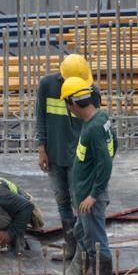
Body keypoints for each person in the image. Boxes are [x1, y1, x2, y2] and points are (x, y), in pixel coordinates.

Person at [51, 76, 118, 275]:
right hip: (85, 195)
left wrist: (94, 193)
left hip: (91, 197)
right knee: (81, 232)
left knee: (95, 240)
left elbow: (106, 161)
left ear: (74, 103)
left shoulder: (93, 128)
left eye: (66, 104)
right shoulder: (99, 119)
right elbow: (114, 144)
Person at [35, 54, 101, 262]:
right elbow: (41, 117)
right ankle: (70, 247)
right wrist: (42, 149)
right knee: (62, 200)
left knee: (80, 202)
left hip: (79, 158)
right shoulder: (47, 85)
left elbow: (94, 125)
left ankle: (84, 250)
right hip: (54, 155)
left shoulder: (92, 92)